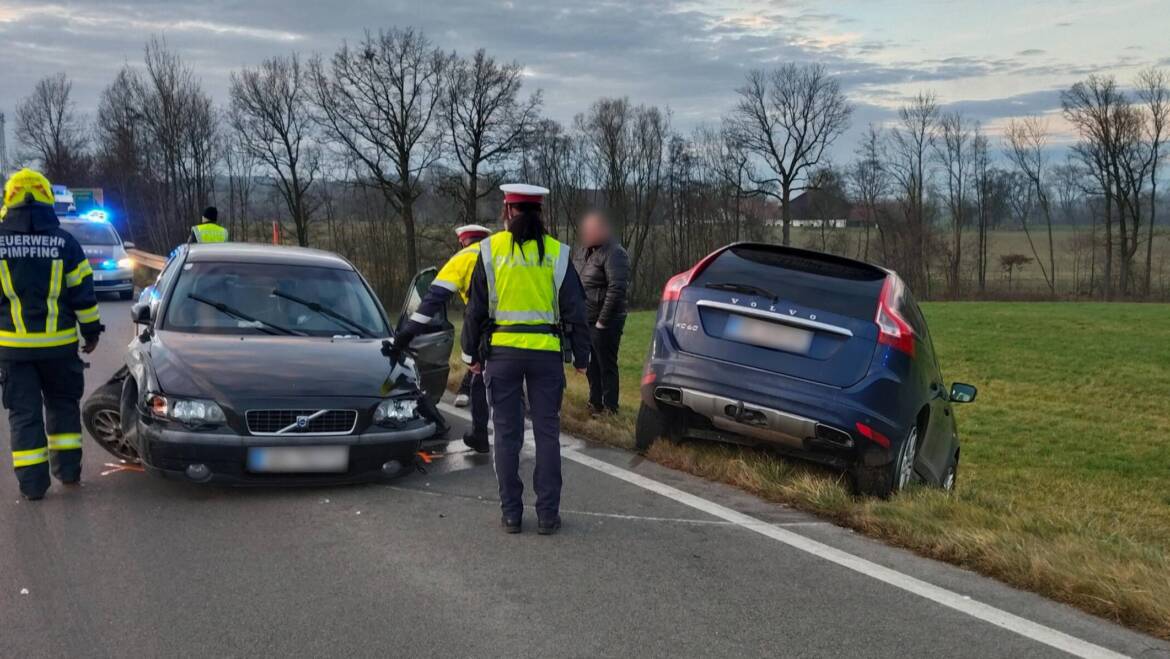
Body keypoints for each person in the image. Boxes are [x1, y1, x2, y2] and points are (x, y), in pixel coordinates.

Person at [463, 183, 591, 536]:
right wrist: (582, 355)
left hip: (502, 354)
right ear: (540, 213)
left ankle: (511, 514)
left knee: (506, 434)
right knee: (547, 433)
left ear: (507, 211)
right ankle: (548, 516)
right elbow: (576, 310)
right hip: (546, 355)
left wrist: (470, 354)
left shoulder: (488, 251)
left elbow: (475, 309)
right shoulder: (558, 253)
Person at [0, 169, 103, 501]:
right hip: (59, 347)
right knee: (63, 407)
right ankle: (69, 472)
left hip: (13, 350)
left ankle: (32, 487)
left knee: (24, 415)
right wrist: (91, 332)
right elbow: (83, 296)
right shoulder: (65, 243)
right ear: (46, 199)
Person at [391, 224, 493, 452]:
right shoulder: (503, 253)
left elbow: (432, 301)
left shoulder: (463, 258)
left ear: (462, 242)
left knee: (478, 378)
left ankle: (480, 434)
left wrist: (406, 334)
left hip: (483, 327)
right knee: (511, 382)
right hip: (517, 331)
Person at [572, 211, 629, 416]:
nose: (586, 233)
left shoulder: (615, 253)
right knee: (590, 363)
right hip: (585, 318)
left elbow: (616, 288)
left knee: (606, 364)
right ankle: (594, 401)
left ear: (604, 230)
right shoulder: (582, 252)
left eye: (592, 229)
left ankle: (610, 407)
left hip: (606, 320)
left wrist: (602, 322)